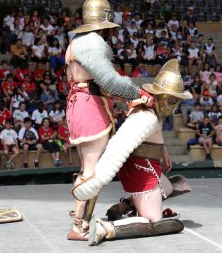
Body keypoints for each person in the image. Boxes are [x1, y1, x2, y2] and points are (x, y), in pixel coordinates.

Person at [71, 59, 190, 245]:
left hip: (148, 165)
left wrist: (163, 150)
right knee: (154, 221)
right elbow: (119, 148)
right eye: (173, 99)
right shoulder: (145, 116)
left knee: (170, 187)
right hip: (142, 169)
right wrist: (97, 180)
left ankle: (126, 205)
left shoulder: (152, 111)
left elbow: (152, 135)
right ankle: (108, 229)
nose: (174, 105)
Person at [65, 0, 153, 241]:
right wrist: (139, 94)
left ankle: (78, 215)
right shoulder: (93, 42)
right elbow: (109, 81)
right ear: (104, 21)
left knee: (87, 169)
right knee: (94, 172)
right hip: (88, 107)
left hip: (79, 104)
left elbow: (98, 83)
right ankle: (79, 225)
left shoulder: (76, 42)